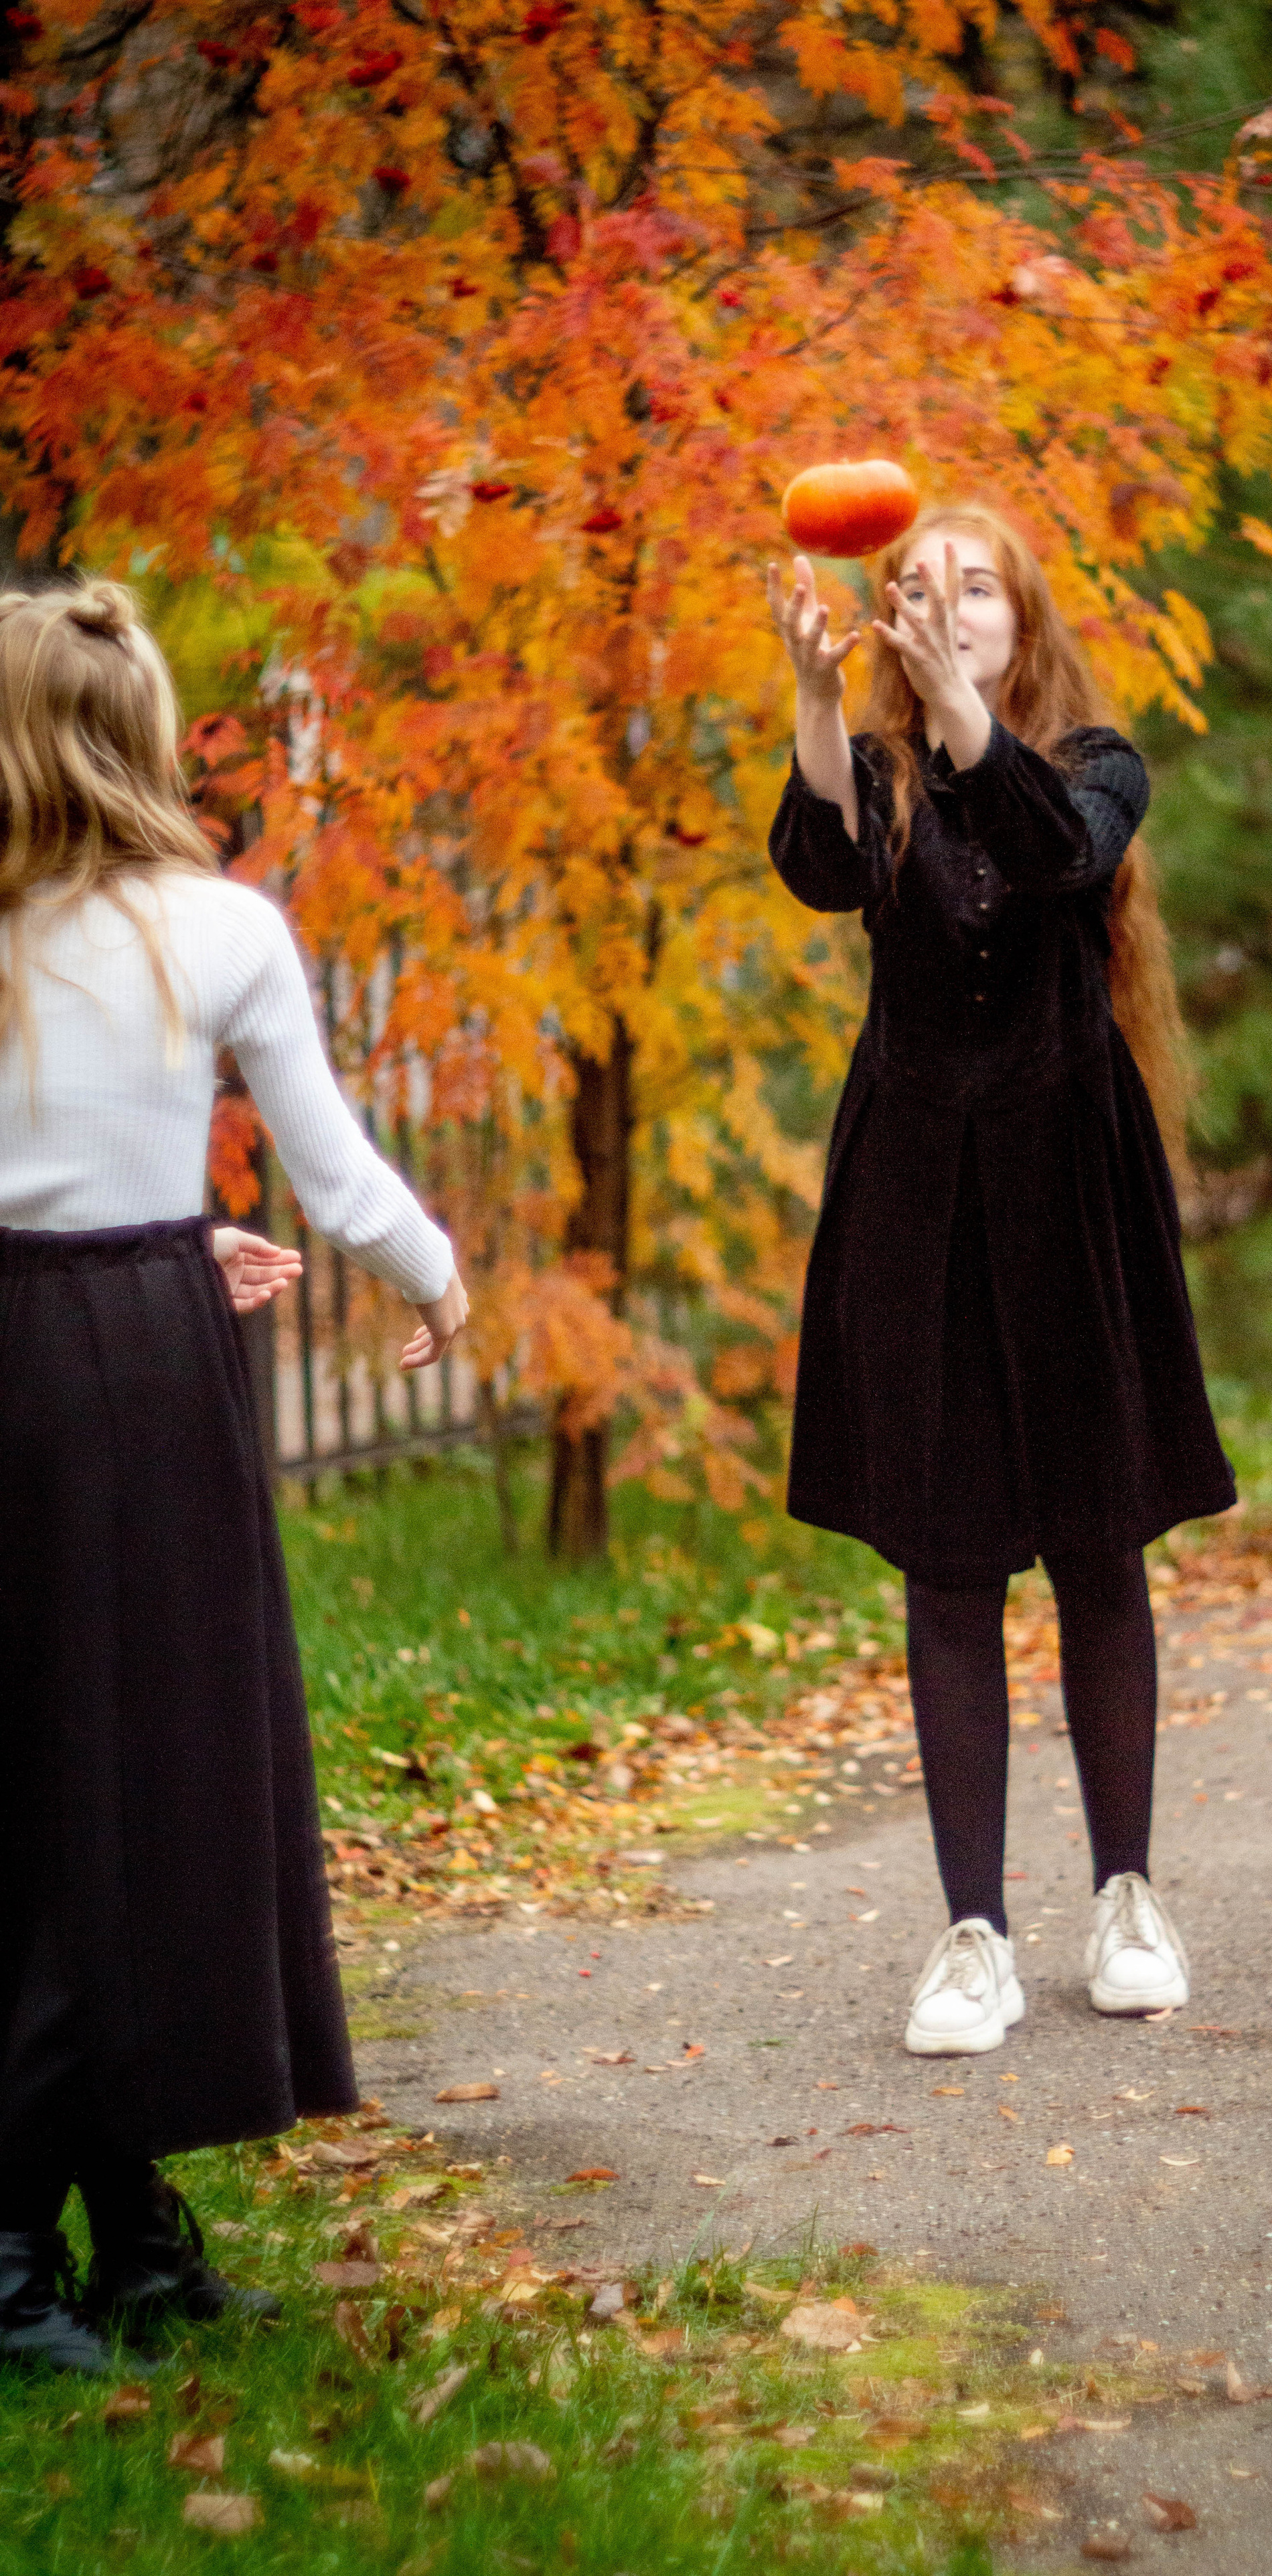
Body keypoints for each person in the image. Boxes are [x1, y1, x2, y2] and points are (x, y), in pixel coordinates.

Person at [0, 580, 468, 2375]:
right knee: (148, 1776)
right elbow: (336, 1175)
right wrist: (434, 1276)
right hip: (143, 1369)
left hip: (45, 1334)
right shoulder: (220, 928)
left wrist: (147, 1241)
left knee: (48, 1779)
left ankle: (126, 2231)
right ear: (145, 731)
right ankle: (13, 2258)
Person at [765, 503, 1236, 2057]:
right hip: (920, 1201)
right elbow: (822, 863)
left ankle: (1126, 1897)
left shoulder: (1097, 765)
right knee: (949, 1561)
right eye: (917, 585)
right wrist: (816, 698)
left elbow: (1049, 850)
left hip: (1069, 1196)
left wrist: (959, 712)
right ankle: (972, 1933)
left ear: (1019, 625)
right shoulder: (882, 772)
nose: (945, 603)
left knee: (1100, 1546)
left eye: (975, 587)